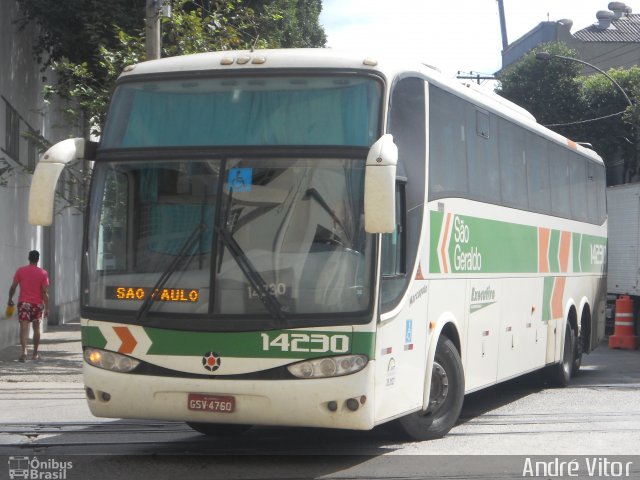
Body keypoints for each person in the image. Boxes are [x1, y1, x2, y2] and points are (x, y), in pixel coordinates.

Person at [7, 250, 49, 362]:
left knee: (23, 328)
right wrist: (47, 308)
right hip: (37, 304)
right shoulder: (43, 273)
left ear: (28, 258)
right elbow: (44, 292)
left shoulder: (21, 271)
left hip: (24, 303)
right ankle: (35, 354)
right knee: (36, 328)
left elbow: (13, 287)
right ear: (38, 259)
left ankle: (24, 352)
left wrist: (10, 299)